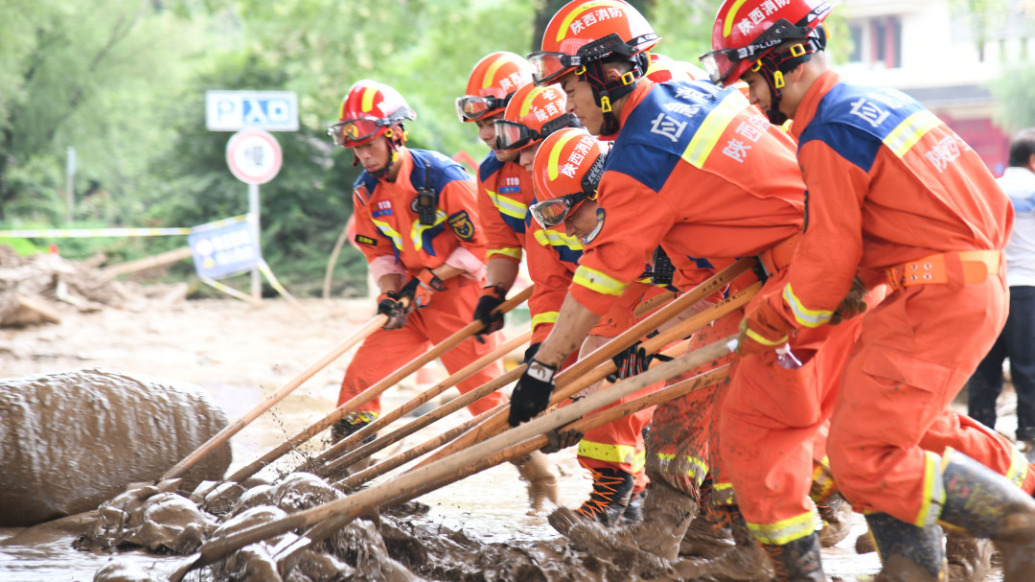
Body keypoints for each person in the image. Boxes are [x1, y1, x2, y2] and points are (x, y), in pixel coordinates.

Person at [511, 2, 868, 577]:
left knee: (762, 424)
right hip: (762, 274)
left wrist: (543, 370)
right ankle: (671, 530)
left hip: (810, 275)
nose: (568, 106)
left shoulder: (643, 158)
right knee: (688, 403)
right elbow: (693, 261)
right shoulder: (677, 96)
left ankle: (773, 550)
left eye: (571, 86)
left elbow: (602, 277)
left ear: (608, 74)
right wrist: (647, 347)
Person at [704, 0, 1035, 578]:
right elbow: (959, 214)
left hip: (934, 301)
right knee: (889, 432)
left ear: (782, 64)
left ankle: (1018, 525)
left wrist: (773, 321)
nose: (748, 97)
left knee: (860, 458)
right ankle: (912, 569)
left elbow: (825, 267)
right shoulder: (878, 104)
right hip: (962, 287)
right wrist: (846, 297)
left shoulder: (828, 132)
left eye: (750, 79)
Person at [328, 79, 554, 510]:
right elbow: (377, 251)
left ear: (395, 134)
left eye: (369, 143)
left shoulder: (445, 178)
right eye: (355, 147)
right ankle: (343, 478)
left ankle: (537, 472)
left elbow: (484, 246)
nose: (361, 154)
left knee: (484, 400)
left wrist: (431, 279)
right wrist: (390, 292)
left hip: (460, 299)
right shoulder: (364, 190)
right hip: (409, 303)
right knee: (360, 380)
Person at [495, 85, 668, 525]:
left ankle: (670, 507)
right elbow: (556, 285)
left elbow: (700, 280)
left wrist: (652, 347)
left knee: (628, 385)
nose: (521, 166)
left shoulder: (640, 178)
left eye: (529, 152)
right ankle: (621, 497)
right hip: (626, 289)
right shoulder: (555, 193)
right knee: (597, 372)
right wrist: (545, 358)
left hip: (696, 289)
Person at [455, 53, 562, 511]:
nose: (483, 136)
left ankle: (626, 495)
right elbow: (501, 246)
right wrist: (493, 293)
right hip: (551, 297)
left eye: (493, 122)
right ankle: (566, 485)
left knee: (608, 389)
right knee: (543, 391)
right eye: (478, 125)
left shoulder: (574, 154)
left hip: (606, 287)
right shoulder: (492, 174)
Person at [969, 127, 1035, 460]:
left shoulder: (988, 188)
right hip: (1027, 289)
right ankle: (1030, 437)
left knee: (984, 369)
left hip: (988, 288)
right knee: (1029, 369)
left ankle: (979, 439)